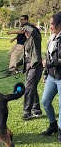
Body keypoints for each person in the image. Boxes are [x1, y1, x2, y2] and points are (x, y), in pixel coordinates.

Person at [14, 15, 43, 120]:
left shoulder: (35, 38)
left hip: (35, 66)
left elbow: (34, 31)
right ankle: (37, 110)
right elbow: (26, 56)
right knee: (32, 88)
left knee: (28, 88)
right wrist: (17, 64)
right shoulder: (27, 41)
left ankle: (27, 112)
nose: (25, 33)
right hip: (29, 66)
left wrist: (25, 25)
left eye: (27, 31)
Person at [41, 12, 61, 142]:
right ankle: (53, 124)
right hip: (52, 76)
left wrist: (47, 63)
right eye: (50, 24)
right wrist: (45, 73)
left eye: (53, 24)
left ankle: (60, 130)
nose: (50, 27)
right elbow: (48, 56)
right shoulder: (52, 37)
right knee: (45, 101)